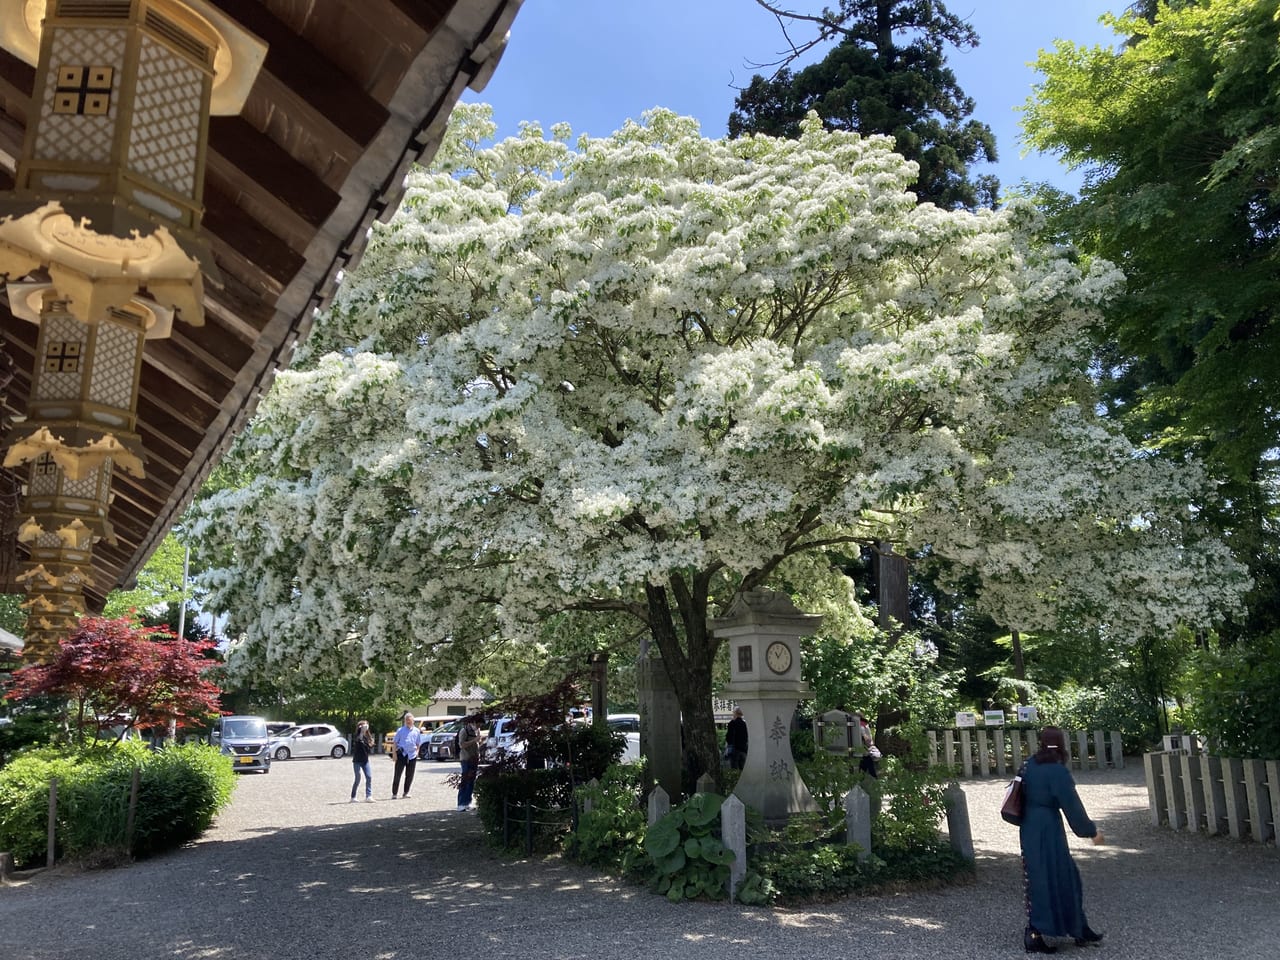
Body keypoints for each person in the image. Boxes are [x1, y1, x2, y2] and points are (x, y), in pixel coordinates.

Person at [1020, 726, 1105, 954]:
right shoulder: (1057, 771)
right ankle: (1040, 932)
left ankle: (1071, 928)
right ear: (1061, 744)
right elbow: (1072, 805)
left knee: (1038, 877)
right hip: (1048, 826)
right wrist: (1090, 831)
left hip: (1029, 825)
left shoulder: (1029, 764)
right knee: (1062, 876)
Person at [391, 712, 421, 799]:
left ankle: (406, 792)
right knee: (397, 774)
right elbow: (395, 743)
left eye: (410, 720)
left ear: (413, 721)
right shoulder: (400, 730)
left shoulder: (417, 731)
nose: (408, 721)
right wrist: (394, 754)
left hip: (412, 755)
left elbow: (418, 743)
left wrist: (417, 752)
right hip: (402, 754)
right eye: (407, 720)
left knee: (410, 775)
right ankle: (394, 793)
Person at [456, 716, 484, 811]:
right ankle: (461, 803)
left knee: (471, 781)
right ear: (474, 722)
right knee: (465, 780)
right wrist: (474, 740)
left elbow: (477, 743)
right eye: (479, 724)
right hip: (465, 758)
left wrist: (479, 740)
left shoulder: (476, 731)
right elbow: (462, 744)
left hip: (474, 758)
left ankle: (468, 802)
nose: (479, 726)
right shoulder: (464, 731)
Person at [349, 719, 375, 802]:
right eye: (364, 726)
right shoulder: (358, 736)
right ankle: (353, 797)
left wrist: (371, 743)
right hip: (357, 761)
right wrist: (361, 731)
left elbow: (369, 748)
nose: (366, 727)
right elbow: (358, 741)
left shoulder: (367, 737)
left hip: (365, 760)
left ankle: (368, 796)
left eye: (366, 726)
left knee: (369, 777)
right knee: (358, 778)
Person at [856, 712, 880, 778]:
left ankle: (861, 779)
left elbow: (865, 738)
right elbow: (868, 738)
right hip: (865, 749)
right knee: (867, 763)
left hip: (862, 749)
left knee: (866, 765)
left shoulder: (858, 726)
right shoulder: (864, 725)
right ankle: (872, 779)